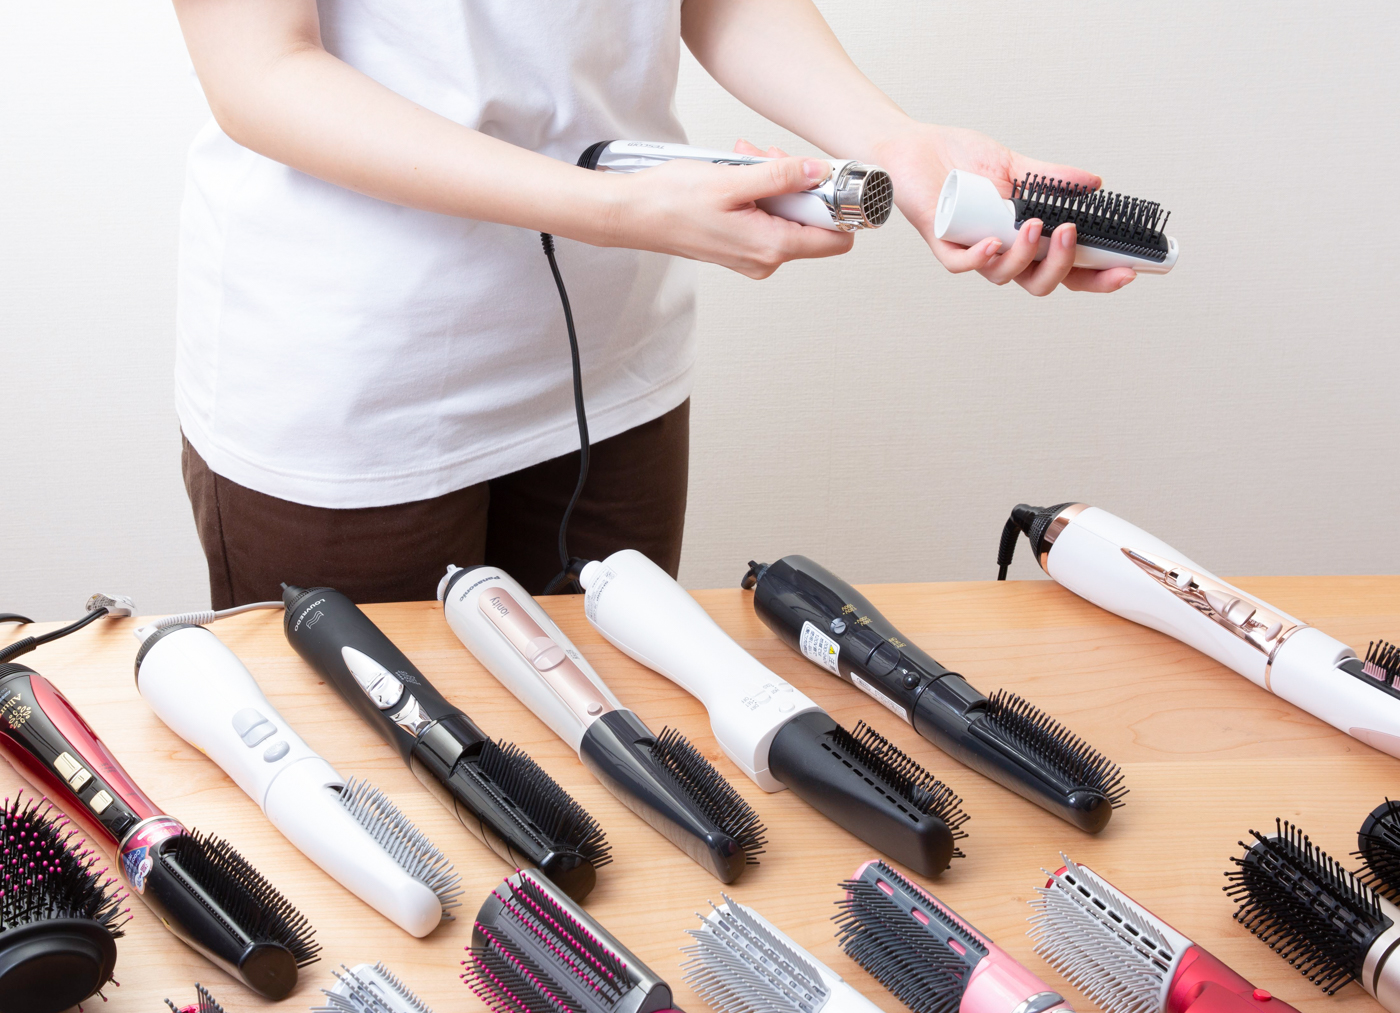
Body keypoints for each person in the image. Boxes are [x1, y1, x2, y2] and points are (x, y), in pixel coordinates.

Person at [171, 0, 1133, 605]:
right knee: (374, 797)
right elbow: (260, 72)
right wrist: (617, 210)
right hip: (354, 391)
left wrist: (892, 142)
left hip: (613, 363)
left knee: (607, 775)